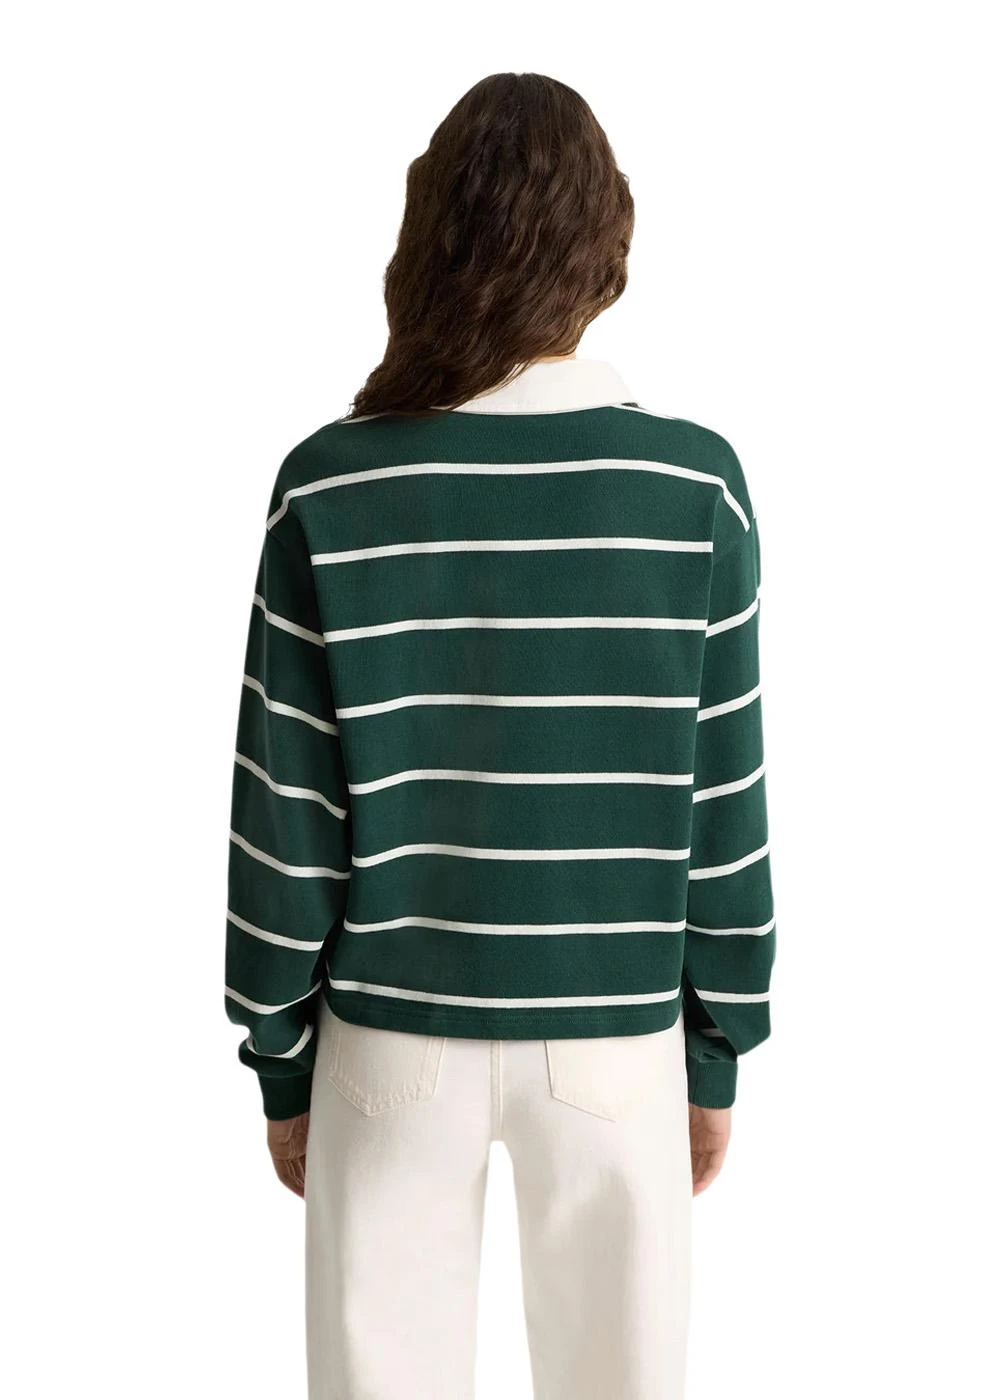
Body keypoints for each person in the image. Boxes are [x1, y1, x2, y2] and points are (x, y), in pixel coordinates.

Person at [225, 70, 775, 1400]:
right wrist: (714, 1051)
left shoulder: (331, 486)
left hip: (388, 1046)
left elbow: (284, 820)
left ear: (427, 239)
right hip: (616, 1044)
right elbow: (725, 808)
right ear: (607, 243)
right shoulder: (692, 489)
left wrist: (281, 1063)